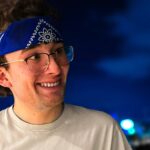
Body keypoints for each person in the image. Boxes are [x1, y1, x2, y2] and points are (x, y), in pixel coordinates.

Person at [0, 0, 132, 149]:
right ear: (3, 77)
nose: (55, 69)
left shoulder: (102, 131)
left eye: (58, 51)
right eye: (34, 57)